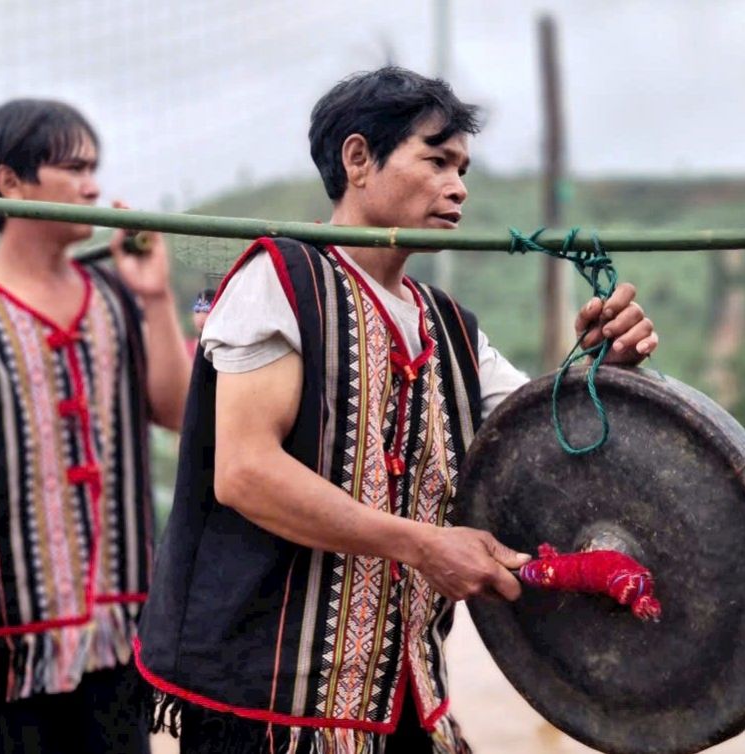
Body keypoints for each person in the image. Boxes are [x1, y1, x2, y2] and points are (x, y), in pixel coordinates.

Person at [134, 67, 658, 753]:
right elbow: (245, 473)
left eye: (463, 168)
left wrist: (603, 366)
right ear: (358, 159)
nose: (459, 186)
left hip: (408, 702)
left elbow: (545, 438)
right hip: (272, 714)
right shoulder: (279, 284)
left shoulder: (451, 329)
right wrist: (423, 545)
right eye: (437, 160)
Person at [0, 98, 192, 753]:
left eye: (94, 169)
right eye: (75, 168)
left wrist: (156, 295)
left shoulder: (115, 299)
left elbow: (176, 411)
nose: (94, 187)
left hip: (112, 647)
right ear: (9, 182)